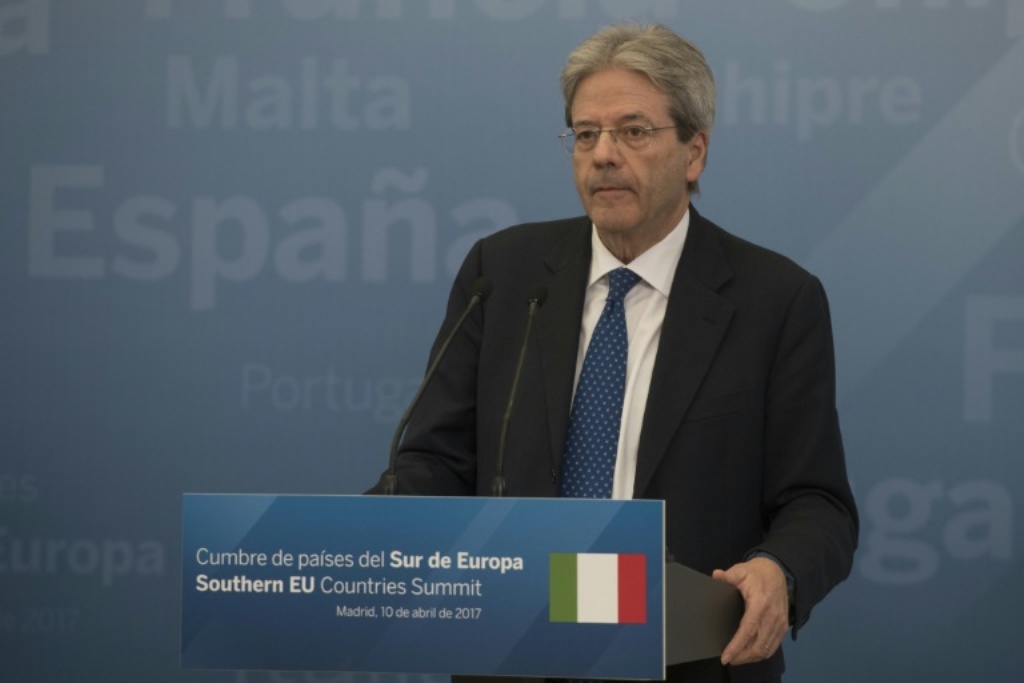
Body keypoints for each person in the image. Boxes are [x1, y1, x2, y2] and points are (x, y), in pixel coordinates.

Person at [372, 23, 858, 683]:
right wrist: (371, 540)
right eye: (585, 133)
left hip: (687, 661)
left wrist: (780, 571)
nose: (602, 154)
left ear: (694, 152)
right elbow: (435, 459)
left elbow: (816, 501)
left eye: (633, 131)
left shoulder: (776, 300)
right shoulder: (505, 274)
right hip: (513, 657)